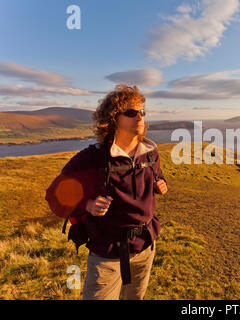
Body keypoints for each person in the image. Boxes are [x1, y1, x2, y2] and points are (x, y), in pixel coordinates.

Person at [45, 84, 168, 300]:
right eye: (131, 112)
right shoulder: (93, 158)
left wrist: (161, 184)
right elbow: (54, 195)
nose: (139, 117)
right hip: (108, 254)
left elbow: (157, 176)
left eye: (142, 112)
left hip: (146, 246)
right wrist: (88, 205)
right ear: (113, 119)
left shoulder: (150, 153)